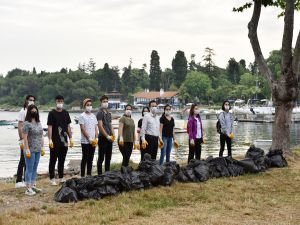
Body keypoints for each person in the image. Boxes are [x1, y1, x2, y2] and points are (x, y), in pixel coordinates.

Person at [47, 95, 73, 185]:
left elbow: (68, 126)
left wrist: (71, 138)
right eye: (58, 101)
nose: (60, 103)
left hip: (64, 141)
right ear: (55, 102)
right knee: (53, 159)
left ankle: (61, 177)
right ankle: (51, 178)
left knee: (62, 159)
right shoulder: (52, 113)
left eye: (61, 101)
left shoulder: (66, 113)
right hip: (55, 140)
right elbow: (49, 127)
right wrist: (50, 139)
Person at [22, 105, 44, 196]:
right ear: (29, 112)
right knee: (29, 168)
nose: (34, 112)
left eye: (35, 110)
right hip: (30, 149)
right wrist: (26, 149)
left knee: (35, 168)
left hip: (38, 148)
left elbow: (41, 135)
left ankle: (33, 185)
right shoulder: (27, 123)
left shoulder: (39, 122)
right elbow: (25, 137)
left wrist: (43, 147)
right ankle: (28, 188)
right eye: (32, 110)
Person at [16, 95, 36, 189]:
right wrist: (21, 139)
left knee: (29, 160)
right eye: (30, 100)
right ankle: (18, 180)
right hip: (24, 139)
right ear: (26, 100)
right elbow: (20, 126)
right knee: (22, 159)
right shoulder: (22, 111)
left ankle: (26, 180)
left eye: (33, 100)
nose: (31, 101)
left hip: (31, 139)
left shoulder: (32, 112)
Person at [79, 98, 98, 177]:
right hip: (85, 141)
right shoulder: (82, 116)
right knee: (85, 158)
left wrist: (96, 137)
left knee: (91, 158)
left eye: (90, 105)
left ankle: (89, 174)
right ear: (84, 106)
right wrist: (89, 138)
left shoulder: (93, 116)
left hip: (93, 141)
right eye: (87, 105)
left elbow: (95, 127)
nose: (89, 106)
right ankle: (82, 175)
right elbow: (82, 128)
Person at [97, 95, 115, 174]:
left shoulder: (108, 113)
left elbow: (111, 125)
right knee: (101, 158)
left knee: (108, 157)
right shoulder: (99, 113)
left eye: (107, 101)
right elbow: (100, 126)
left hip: (110, 138)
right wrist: (106, 136)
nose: (106, 103)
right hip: (103, 138)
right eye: (104, 102)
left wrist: (113, 135)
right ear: (101, 103)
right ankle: (100, 174)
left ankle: (107, 173)